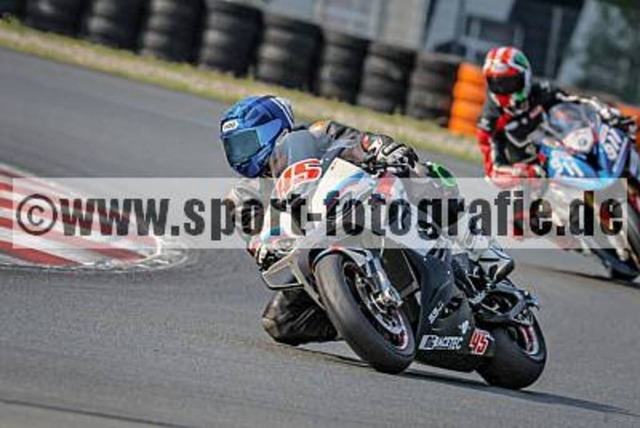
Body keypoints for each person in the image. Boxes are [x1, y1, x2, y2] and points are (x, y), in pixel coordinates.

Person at [221, 95, 514, 346]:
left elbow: (360, 141)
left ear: (273, 128)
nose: (241, 155)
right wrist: (264, 247)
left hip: (359, 201)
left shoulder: (316, 134)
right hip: (310, 245)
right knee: (280, 321)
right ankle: (367, 320)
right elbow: (255, 235)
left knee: (424, 173)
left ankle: (483, 248)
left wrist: (383, 150)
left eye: (247, 143)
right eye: (234, 148)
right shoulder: (243, 194)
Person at [477, 46, 637, 189]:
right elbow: (493, 170)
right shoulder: (489, 121)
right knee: (520, 207)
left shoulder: (540, 91)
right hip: (530, 175)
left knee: (611, 151)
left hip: (561, 154)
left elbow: (578, 100)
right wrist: (521, 172)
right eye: (495, 83)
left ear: (524, 77)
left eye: (508, 82)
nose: (502, 89)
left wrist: (607, 114)